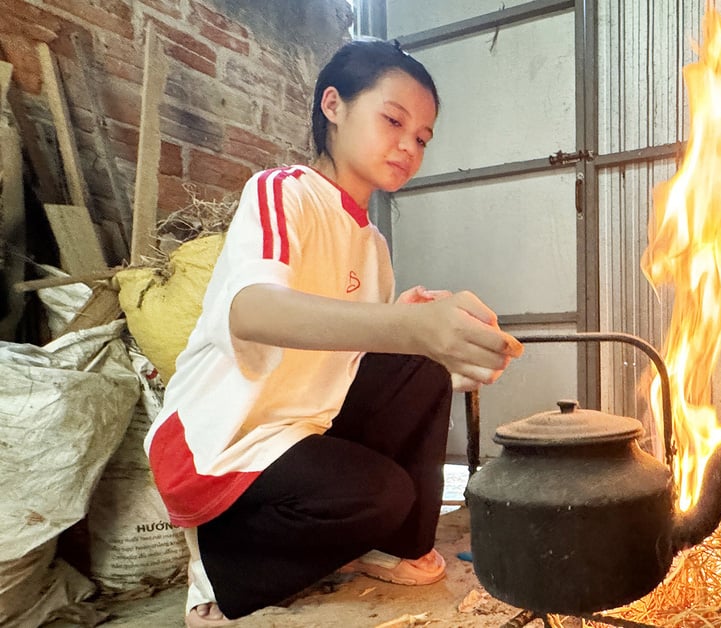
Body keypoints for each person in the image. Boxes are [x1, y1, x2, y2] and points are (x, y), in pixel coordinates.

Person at [143, 38, 523, 627]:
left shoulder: (372, 244)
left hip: (305, 423)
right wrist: (406, 323)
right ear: (334, 105)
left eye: (422, 137)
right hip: (228, 436)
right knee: (381, 493)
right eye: (393, 120)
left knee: (419, 368)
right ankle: (221, 571)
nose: (408, 145)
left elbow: (347, 348)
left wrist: (415, 324)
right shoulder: (284, 191)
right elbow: (253, 311)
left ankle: (395, 545)